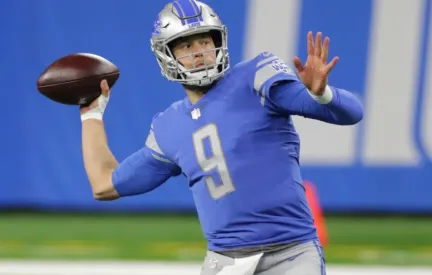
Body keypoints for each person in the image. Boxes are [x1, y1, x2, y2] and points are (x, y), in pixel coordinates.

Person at [80, 0, 363, 274]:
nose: (200, 51)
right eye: (187, 45)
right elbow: (104, 184)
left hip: (291, 253)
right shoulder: (168, 126)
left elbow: (351, 113)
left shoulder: (255, 78)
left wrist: (321, 94)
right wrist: (91, 115)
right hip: (224, 261)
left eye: (205, 41)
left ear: (218, 42)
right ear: (167, 54)